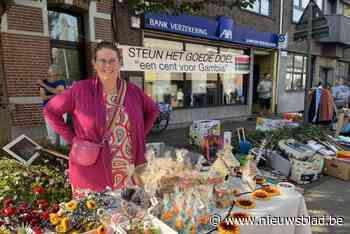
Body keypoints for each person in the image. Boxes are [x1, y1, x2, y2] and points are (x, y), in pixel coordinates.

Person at [44, 41, 159, 197]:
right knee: (97, 214)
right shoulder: (81, 89)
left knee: (128, 214)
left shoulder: (132, 91)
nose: (108, 65)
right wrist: (72, 139)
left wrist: (139, 134)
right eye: (102, 61)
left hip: (129, 169)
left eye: (112, 60)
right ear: (94, 64)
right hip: (93, 169)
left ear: (120, 63)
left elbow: (153, 110)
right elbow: (50, 111)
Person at [37, 65, 66, 146]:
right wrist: (57, 94)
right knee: (51, 133)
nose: (48, 73)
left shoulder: (61, 81)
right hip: (48, 109)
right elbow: (43, 97)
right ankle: (52, 150)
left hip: (61, 109)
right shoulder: (43, 81)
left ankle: (63, 150)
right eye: (49, 72)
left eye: (51, 72)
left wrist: (43, 85)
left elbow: (59, 92)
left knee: (62, 131)